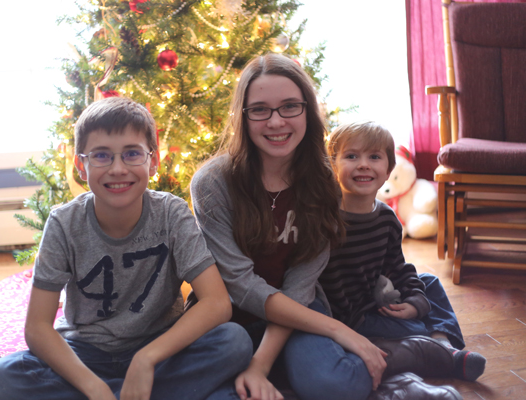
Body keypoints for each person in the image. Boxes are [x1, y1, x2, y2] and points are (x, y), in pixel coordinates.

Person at [190, 53, 458, 400]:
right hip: (230, 314)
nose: (276, 121)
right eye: (259, 110)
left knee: (334, 386)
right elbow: (240, 285)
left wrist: (261, 363)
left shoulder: (324, 180)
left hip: (300, 306)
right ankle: (380, 358)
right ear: (242, 116)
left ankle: (406, 360)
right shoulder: (212, 183)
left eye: (290, 106)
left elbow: (301, 284)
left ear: (307, 110)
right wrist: (338, 331)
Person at [0, 97, 252, 400]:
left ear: (153, 161)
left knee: (234, 341)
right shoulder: (63, 223)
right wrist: (93, 387)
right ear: (81, 166)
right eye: (101, 155)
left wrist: (146, 358)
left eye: (132, 154)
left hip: (160, 350)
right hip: (85, 353)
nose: (117, 169)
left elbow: (217, 303)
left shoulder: (172, 213)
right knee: (4, 377)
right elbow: (37, 328)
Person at [324, 121, 486, 382]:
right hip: (352, 318)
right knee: (417, 327)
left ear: (389, 169)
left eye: (374, 157)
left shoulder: (387, 218)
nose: (363, 164)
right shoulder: (326, 220)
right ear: (333, 165)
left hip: (378, 300)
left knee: (429, 283)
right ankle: (441, 351)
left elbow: (397, 267)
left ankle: (443, 345)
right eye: (351, 156)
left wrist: (414, 302)